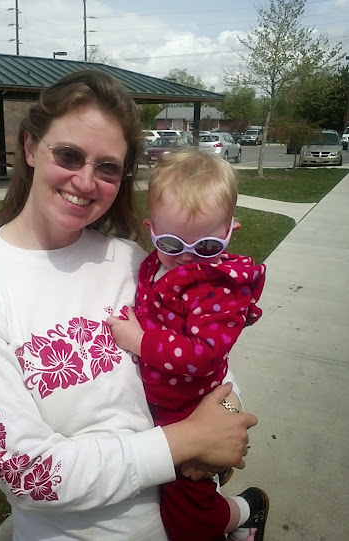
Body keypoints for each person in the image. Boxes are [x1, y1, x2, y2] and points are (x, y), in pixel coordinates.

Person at [0, 70, 258, 541]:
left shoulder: (136, 263)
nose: (86, 180)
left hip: (184, 517)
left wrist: (224, 421)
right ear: (29, 147)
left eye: (108, 167)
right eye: (69, 155)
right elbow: (27, 474)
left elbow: (210, 360)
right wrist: (185, 442)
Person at [107, 148, 269, 541]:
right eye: (172, 243)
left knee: (187, 520)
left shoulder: (220, 288)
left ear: (230, 232)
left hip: (188, 410)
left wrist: (140, 341)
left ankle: (247, 512)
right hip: (160, 409)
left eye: (207, 247)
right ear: (151, 229)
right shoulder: (153, 263)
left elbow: (204, 354)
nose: (189, 259)